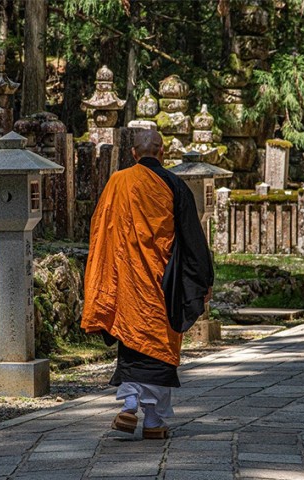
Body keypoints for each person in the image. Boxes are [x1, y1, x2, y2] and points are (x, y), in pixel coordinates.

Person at [81, 129, 214, 439]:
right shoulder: (174, 185)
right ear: (163, 152)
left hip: (127, 282)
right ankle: (153, 422)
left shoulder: (118, 182)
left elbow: (101, 230)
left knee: (131, 343)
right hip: (163, 284)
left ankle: (129, 404)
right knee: (159, 350)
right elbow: (192, 237)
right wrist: (203, 279)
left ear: (133, 153)